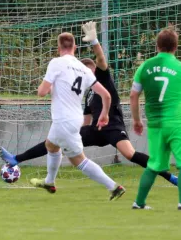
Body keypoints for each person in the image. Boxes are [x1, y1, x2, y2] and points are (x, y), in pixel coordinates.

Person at [0, 21, 177, 186]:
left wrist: (95, 41)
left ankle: (169, 176)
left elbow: (101, 59)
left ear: (92, 69)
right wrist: (73, 136)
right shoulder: (88, 93)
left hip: (113, 126)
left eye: (89, 70)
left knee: (130, 155)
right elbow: (85, 120)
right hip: (96, 130)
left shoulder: (102, 77)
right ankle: (23, 162)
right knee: (54, 142)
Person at [29, 31, 126, 200]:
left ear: (58, 48)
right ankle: (49, 182)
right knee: (51, 145)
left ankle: (114, 187)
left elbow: (41, 92)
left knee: (79, 161)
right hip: (74, 119)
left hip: (63, 120)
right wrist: (104, 114)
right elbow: (107, 96)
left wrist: (51, 87)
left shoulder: (56, 63)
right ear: (75, 47)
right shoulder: (84, 69)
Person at [130, 28, 181, 211]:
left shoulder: (144, 67)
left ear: (157, 46)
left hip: (155, 124)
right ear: (176, 47)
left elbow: (133, 96)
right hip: (178, 122)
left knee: (154, 164)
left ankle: (139, 203)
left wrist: (137, 120)